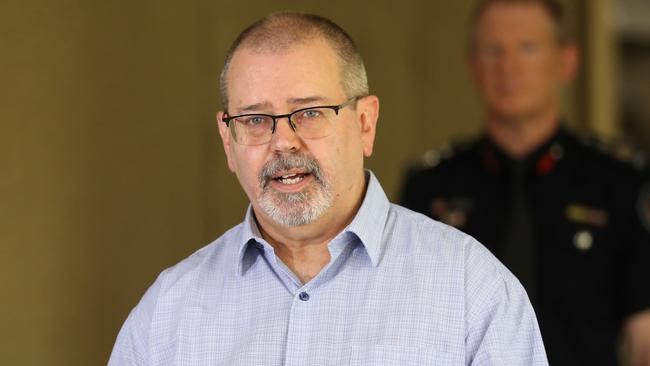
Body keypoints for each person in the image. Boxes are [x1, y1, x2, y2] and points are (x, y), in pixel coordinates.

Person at [108, 12, 547, 366]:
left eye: (311, 112)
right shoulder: (167, 312)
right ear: (229, 141)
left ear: (364, 123)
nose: (284, 141)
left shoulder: (472, 290)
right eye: (256, 120)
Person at [399, 0, 650, 365]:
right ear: (472, 65)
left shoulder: (619, 184)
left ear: (566, 62)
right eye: (492, 50)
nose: (508, 67)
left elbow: (644, 336)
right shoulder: (431, 186)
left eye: (528, 48)